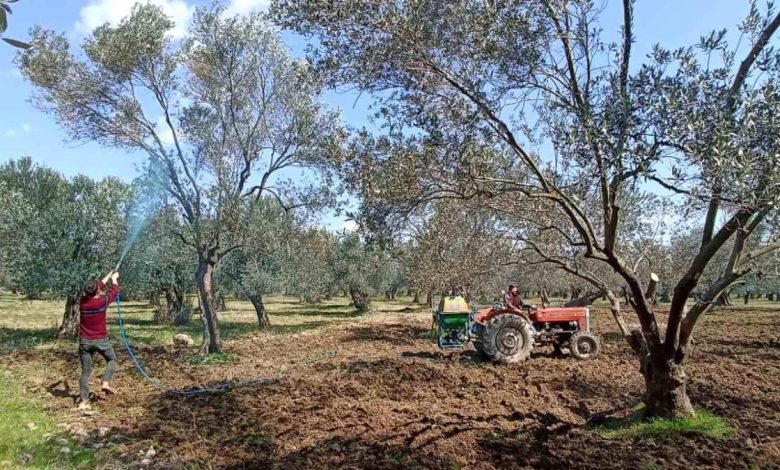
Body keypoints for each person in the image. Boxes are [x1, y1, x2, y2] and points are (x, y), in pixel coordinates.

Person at [77, 270, 120, 411]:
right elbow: (114, 291)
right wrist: (114, 279)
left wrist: (109, 274)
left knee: (85, 372)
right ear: (97, 292)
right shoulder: (101, 303)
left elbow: (98, 287)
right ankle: (105, 383)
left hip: (85, 342)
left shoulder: (83, 302)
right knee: (112, 359)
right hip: (101, 340)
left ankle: (83, 401)